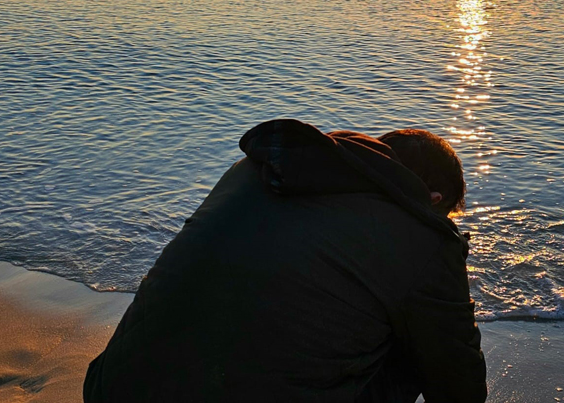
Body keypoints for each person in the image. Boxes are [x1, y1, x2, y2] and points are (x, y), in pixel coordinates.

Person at [84, 118, 487, 403]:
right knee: (426, 344)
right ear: (434, 201)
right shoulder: (423, 237)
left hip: (111, 388)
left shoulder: (256, 172)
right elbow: (459, 384)